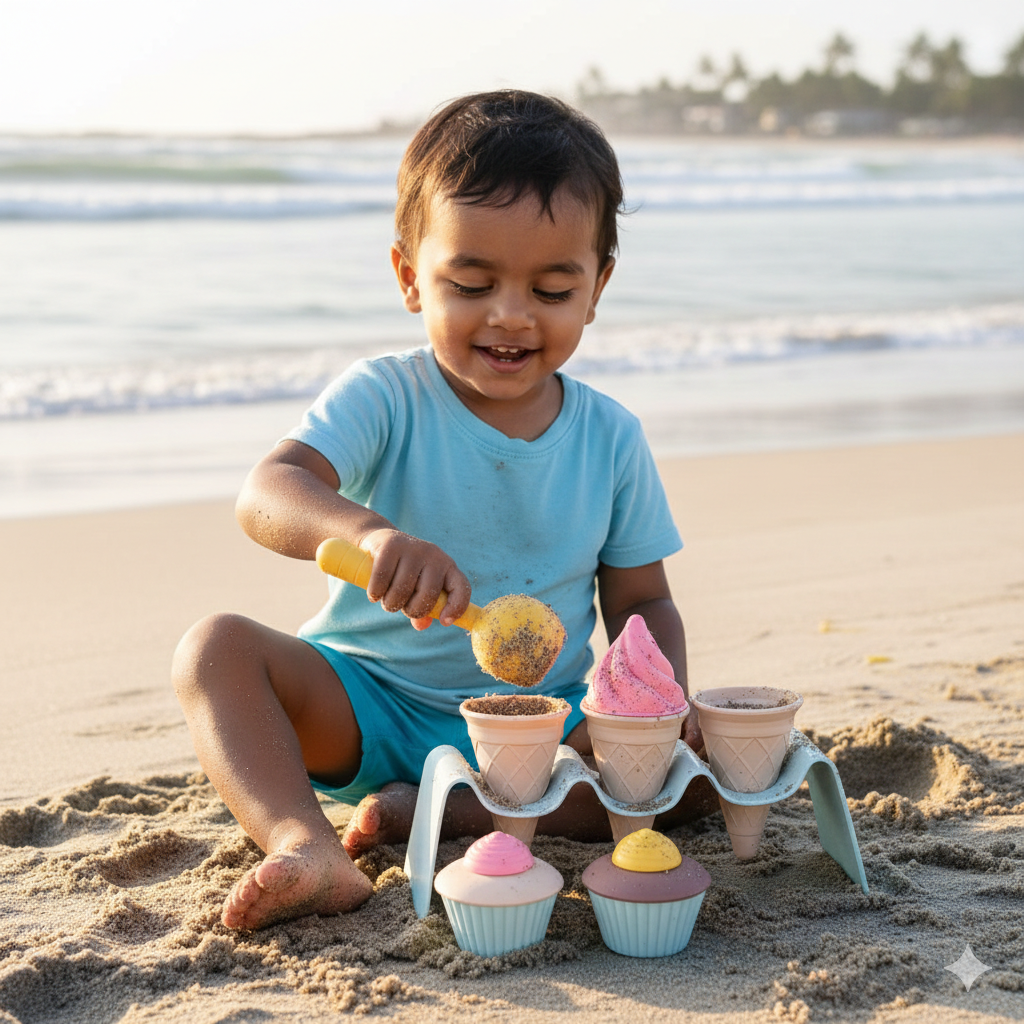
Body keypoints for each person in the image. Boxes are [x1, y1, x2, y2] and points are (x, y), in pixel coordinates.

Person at [172, 89, 708, 932]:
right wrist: (366, 532)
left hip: (536, 729)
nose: (510, 314)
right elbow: (267, 493)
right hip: (364, 700)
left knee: (689, 775)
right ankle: (304, 844)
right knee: (215, 650)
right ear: (409, 277)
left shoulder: (610, 437)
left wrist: (653, 712)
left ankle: (457, 811)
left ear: (598, 288)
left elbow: (642, 603)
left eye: (552, 288)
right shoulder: (387, 396)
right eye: (471, 282)